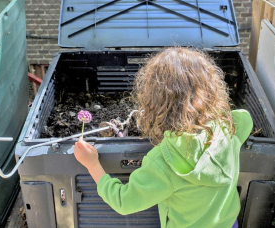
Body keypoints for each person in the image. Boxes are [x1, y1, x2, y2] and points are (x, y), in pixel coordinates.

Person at [74, 47, 253, 228]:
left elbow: (123, 201)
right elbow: (245, 118)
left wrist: (92, 164)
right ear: (210, 90)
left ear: (154, 102)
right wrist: (209, 111)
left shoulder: (165, 162)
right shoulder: (229, 129)